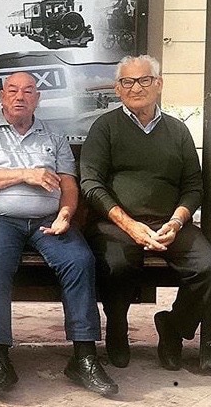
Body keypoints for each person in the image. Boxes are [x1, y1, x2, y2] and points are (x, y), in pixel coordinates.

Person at [0, 71, 118, 397]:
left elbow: (69, 185)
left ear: (38, 98)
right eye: (13, 91)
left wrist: (65, 214)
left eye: (28, 91)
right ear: (2, 96)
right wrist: (25, 174)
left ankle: (84, 356)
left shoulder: (54, 136)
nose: (20, 97)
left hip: (48, 219)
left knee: (79, 259)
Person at [81, 54, 211, 372]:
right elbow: (91, 183)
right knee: (116, 264)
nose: (135, 87)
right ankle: (117, 327)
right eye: (127, 81)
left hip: (170, 223)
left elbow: (193, 185)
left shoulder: (178, 131)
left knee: (207, 268)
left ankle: (173, 328)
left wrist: (178, 220)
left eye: (144, 80)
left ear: (159, 84)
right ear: (118, 89)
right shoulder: (105, 127)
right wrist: (129, 224)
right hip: (117, 222)